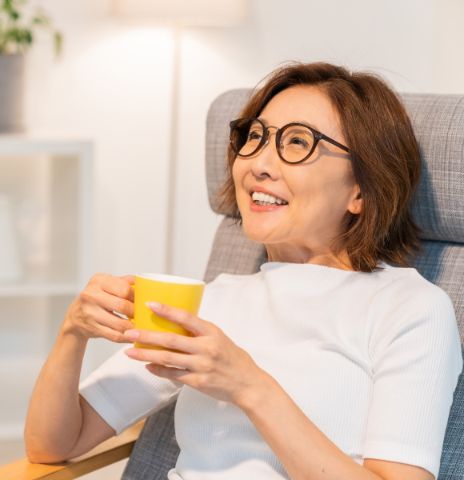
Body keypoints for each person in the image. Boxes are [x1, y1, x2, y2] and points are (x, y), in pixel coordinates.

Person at [23, 62, 463, 480]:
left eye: (296, 142)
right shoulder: (211, 303)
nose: (257, 164)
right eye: (254, 138)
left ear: (361, 191)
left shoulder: (410, 309)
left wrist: (249, 387)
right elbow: (53, 445)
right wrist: (72, 334)